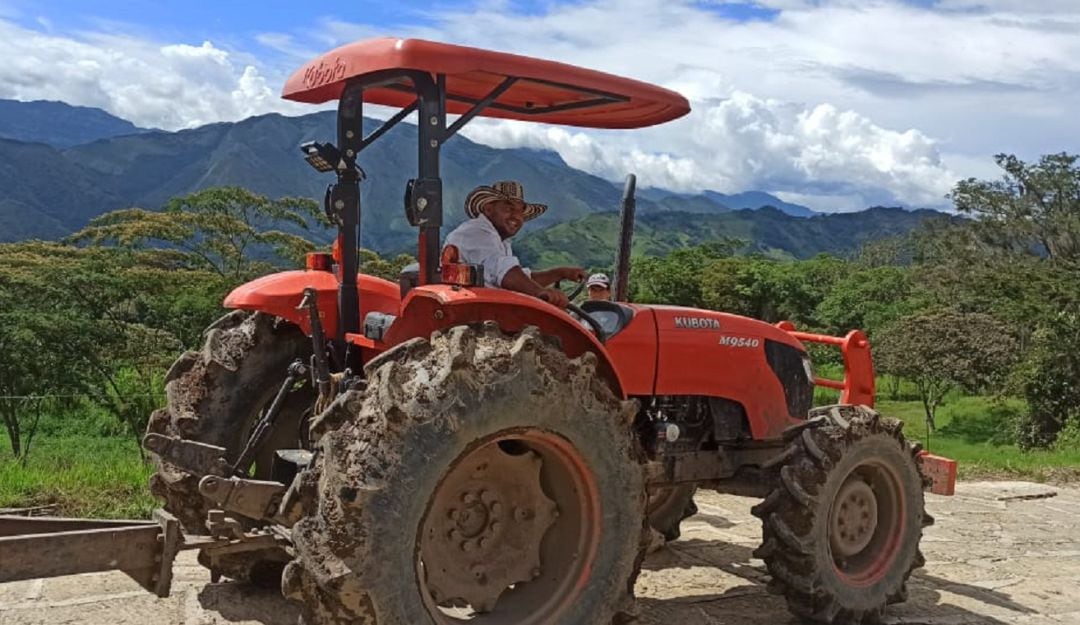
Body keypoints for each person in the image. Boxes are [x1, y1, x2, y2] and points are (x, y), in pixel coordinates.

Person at [444, 180, 585, 308]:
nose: (517, 217)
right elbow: (505, 273)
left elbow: (519, 280)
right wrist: (540, 292)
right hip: (472, 310)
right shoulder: (476, 232)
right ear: (488, 209)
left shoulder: (500, 241)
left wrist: (560, 273)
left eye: (520, 211)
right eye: (509, 208)